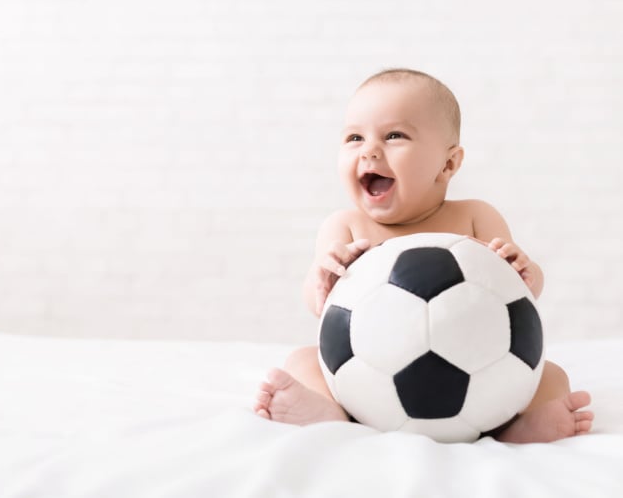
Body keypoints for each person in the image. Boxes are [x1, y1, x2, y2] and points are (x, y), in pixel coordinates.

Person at [253, 68, 594, 443]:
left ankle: (520, 426)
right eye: (354, 137)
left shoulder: (476, 216)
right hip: (365, 382)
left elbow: (521, 295)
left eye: (394, 135)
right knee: (303, 360)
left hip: (478, 375)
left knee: (551, 375)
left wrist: (524, 269)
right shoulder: (345, 227)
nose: (369, 149)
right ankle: (329, 413)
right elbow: (318, 305)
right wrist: (323, 279)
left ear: (447, 164)